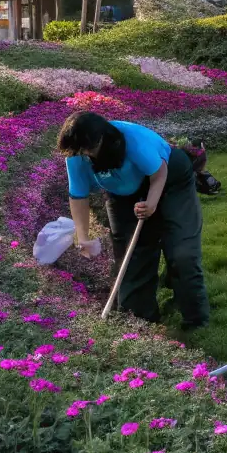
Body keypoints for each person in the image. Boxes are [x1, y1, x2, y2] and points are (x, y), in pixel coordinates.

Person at [58, 111, 209, 328]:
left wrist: (151, 204)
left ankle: (195, 319)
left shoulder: (133, 140)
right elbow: (78, 196)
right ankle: (141, 322)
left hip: (169, 181)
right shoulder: (77, 155)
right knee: (132, 257)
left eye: (88, 149)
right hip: (122, 194)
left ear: (100, 137)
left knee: (182, 251)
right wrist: (83, 237)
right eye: (80, 150)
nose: (85, 155)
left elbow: (159, 173)